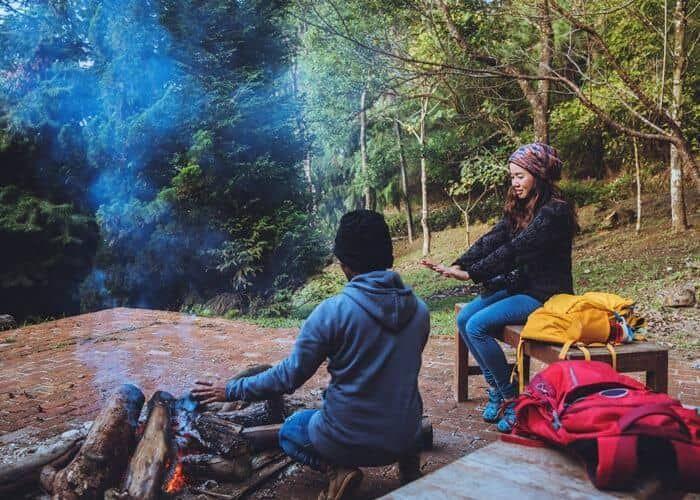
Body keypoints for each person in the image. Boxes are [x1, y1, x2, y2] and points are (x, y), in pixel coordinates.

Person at [193, 210, 430, 500]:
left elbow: (288, 377)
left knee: (290, 430)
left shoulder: (332, 312)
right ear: (389, 258)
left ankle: (337, 471)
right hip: (406, 435)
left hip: (348, 441)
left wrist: (230, 389)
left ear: (344, 264)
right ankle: (409, 469)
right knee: (403, 395)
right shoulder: (419, 310)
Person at [421, 143, 577, 433]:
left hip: (545, 295)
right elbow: (493, 239)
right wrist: (461, 264)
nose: (514, 183)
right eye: (512, 177)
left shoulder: (555, 212)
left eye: (520, 176)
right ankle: (497, 386)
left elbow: (517, 249)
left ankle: (512, 398)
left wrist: (473, 274)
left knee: (478, 325)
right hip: (521, 285)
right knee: (464, 318)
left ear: (538, 174)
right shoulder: (522, 206)